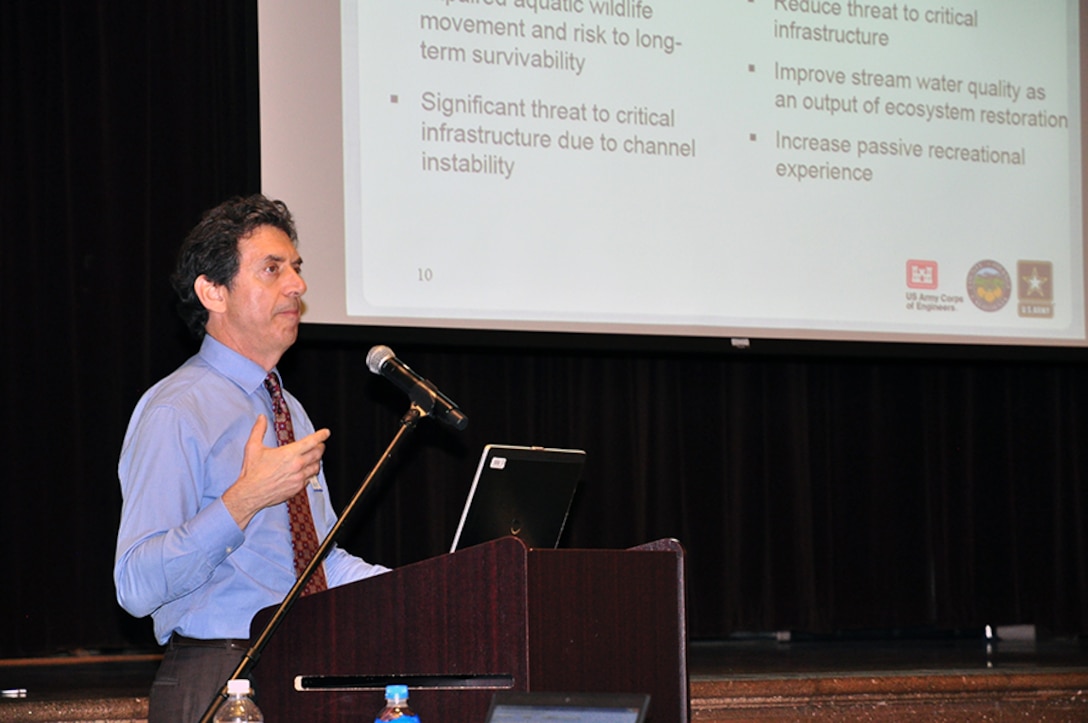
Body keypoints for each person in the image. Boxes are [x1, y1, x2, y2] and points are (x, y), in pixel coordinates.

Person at [114, 194, 388, 722]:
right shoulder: (177, 409)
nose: (298, 285)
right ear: (213, 292)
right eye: (272, 269)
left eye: (296, 268)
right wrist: (244, 501)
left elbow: (319, 561)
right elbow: (135, 585)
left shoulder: (289, 409)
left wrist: (429, 584)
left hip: (305, 668)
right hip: (219, 679)